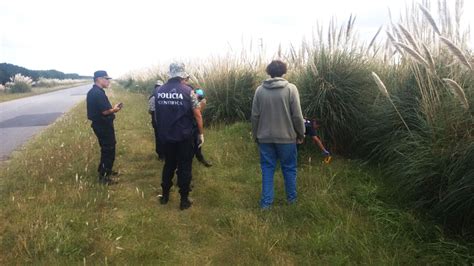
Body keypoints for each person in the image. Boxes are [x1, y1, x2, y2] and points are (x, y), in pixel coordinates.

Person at [251, 60, 305, 209]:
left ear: (268, 72)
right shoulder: (291, 89)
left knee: (267, 169)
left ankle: (266, 204)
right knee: (289, 168)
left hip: (265, 138)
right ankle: (292, 201)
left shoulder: (259, 90)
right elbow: (297, 116)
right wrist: (301, 134)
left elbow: (255, 116)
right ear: (284, 72)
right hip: (287, 138)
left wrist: (255, 135)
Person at [154, 62, 204, 210]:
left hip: (166, 137)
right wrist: (201, 134)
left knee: (168, 164)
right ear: (183, 76)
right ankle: (184, 200)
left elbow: (157, 114)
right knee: (184, 167)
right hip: (184, 137)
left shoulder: (159, 91)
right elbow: (198, 115)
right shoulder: (188, 91)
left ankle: (165, 196)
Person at [86, 70, 123, 185]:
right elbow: (105, 111)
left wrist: (112, 110)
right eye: (106, 79)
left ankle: (106, 170)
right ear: (99, 79)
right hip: (102, 125)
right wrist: (115, 109)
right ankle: (103, 177)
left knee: (107, 148)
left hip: (101, 124)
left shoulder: (96, 92)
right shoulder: (97, 93)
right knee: (108, 148)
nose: (108, 81)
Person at [148, 80, 165, 160]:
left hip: (155, 120)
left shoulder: (152, 96)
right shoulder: (164, 94)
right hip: (165, 120)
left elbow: (151, 110)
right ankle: (166, 153)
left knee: (158, 137)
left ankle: (160, 155)